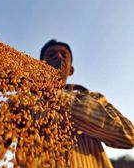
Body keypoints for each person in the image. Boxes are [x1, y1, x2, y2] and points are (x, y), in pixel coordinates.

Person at [40, 39, 134, 168]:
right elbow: (1, 136)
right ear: (40, 64)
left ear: (71, 69)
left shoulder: (93, 97)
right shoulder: (24, 98)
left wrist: (57, 95)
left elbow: (128, 136)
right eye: (51, 54)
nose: (58, 56)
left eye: (64, 54)